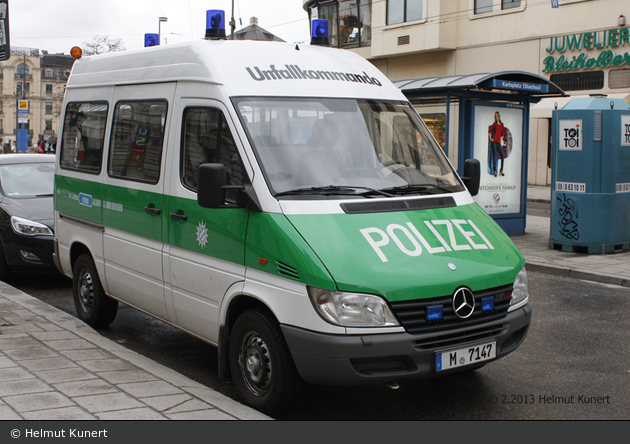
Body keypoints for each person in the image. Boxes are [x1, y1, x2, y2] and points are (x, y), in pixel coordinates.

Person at [488, 111, 505, 177]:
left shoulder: (502, 124)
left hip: (498, 142)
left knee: (502, 154)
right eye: (495, 116)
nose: (496, 117)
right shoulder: (494, 124)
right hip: (494, 141)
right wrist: (491, 138)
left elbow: (503, 132)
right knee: (495, 155)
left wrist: (502, 137)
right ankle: (495, 170)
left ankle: (501, 169)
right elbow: (489, 130)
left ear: (499, 116)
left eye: (497, 115)